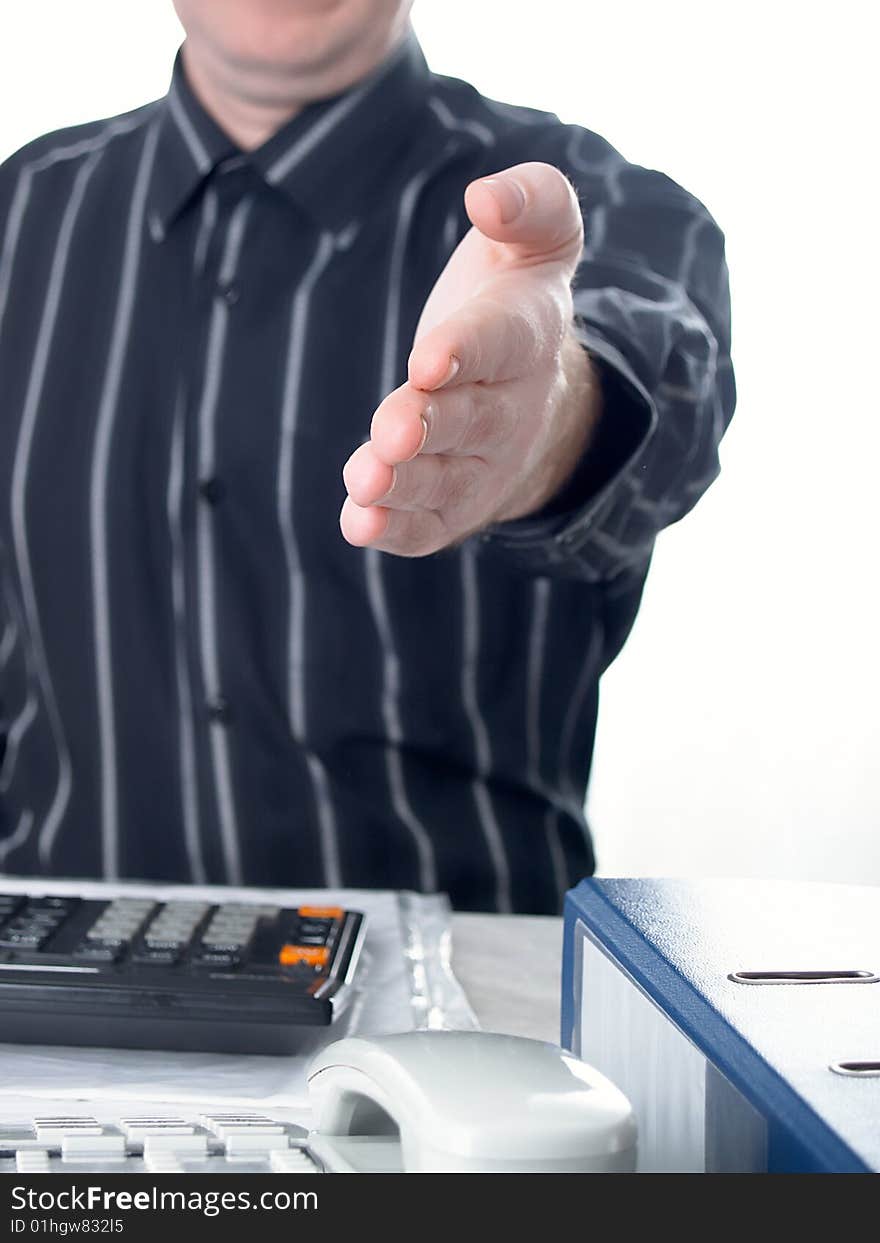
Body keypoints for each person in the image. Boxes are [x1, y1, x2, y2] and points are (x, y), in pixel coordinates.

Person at [0, 1, 734, 913]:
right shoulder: (18, 211)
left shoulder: (588, 205)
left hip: (462, 1008)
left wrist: (549, 419)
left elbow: (669, 404)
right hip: (51, 1005)